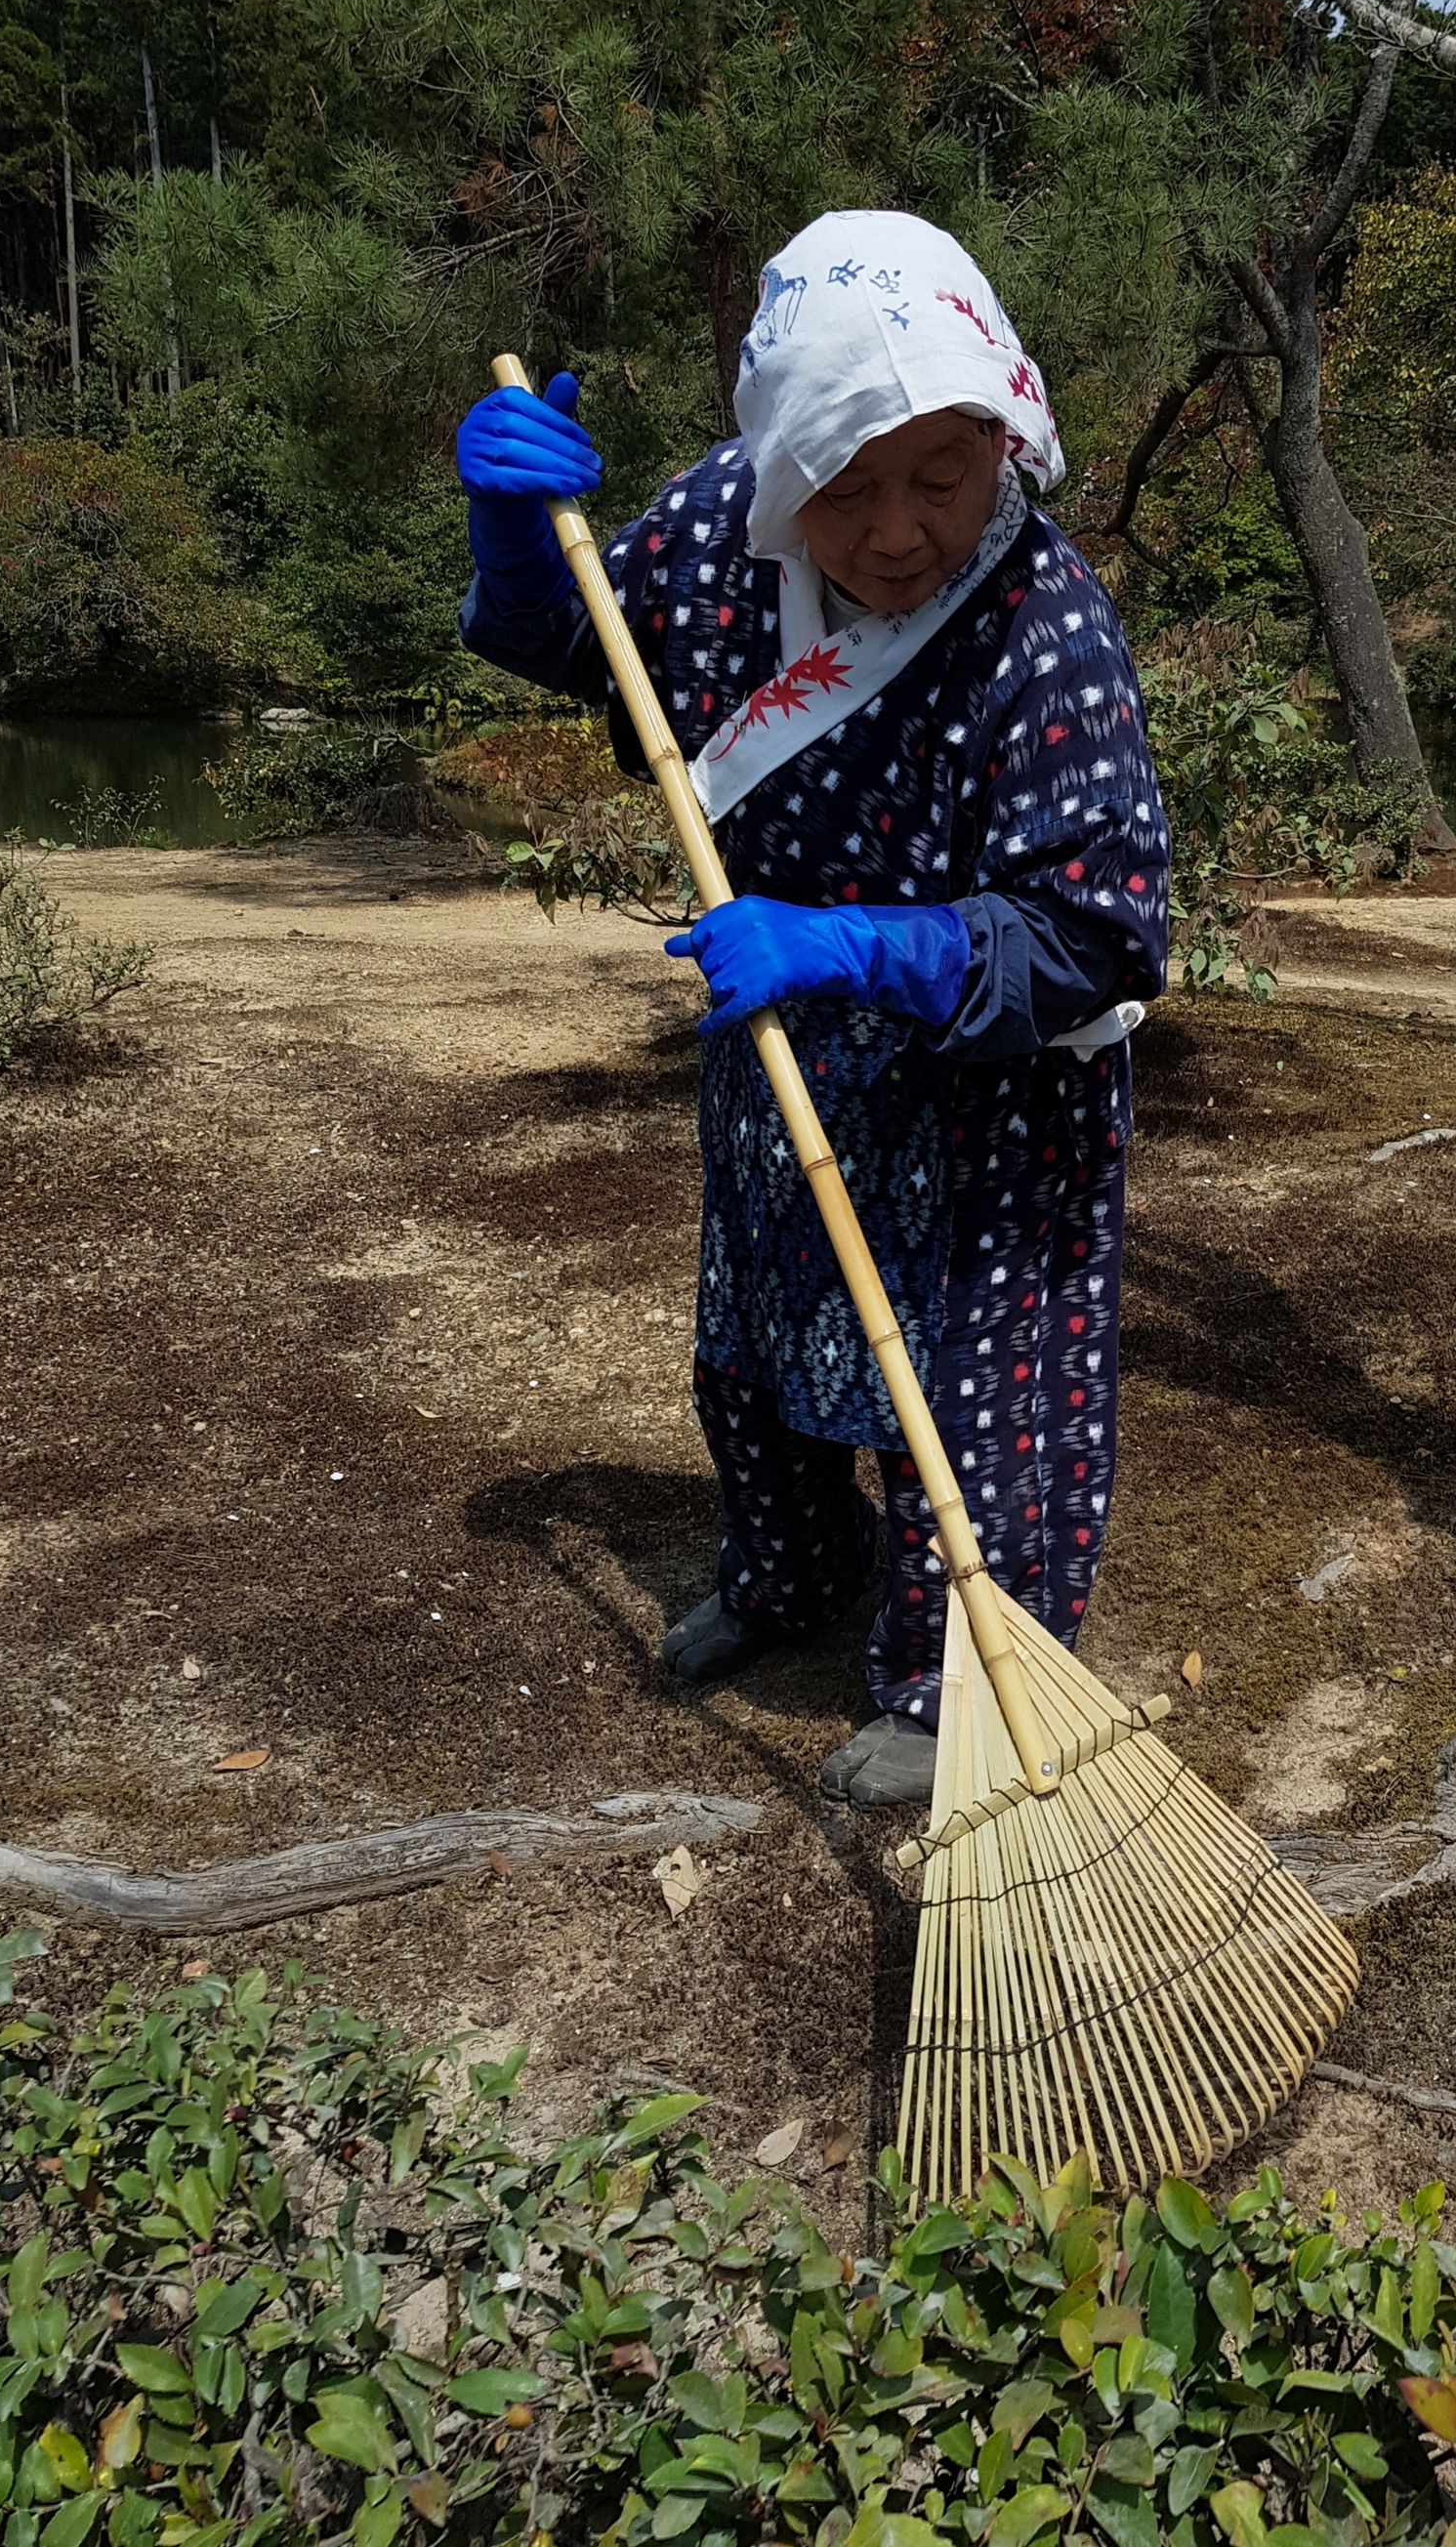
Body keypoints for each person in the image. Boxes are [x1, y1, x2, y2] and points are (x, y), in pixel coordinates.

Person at [455, 208, 1168, 1807]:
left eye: (944, 473)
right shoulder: (723, 524)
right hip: (786, 1051)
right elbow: (597, 646)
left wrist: (850, 948)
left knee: (973, 1390)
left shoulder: (1044, 631)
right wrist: (519, 535)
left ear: (1004, 427)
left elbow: (1102, 934)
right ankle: (789, 1570)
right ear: (781, 458)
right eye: (847, 483)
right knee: (764, 1340)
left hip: (990, 1078)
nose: (901, 528)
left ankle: (947, 1677)